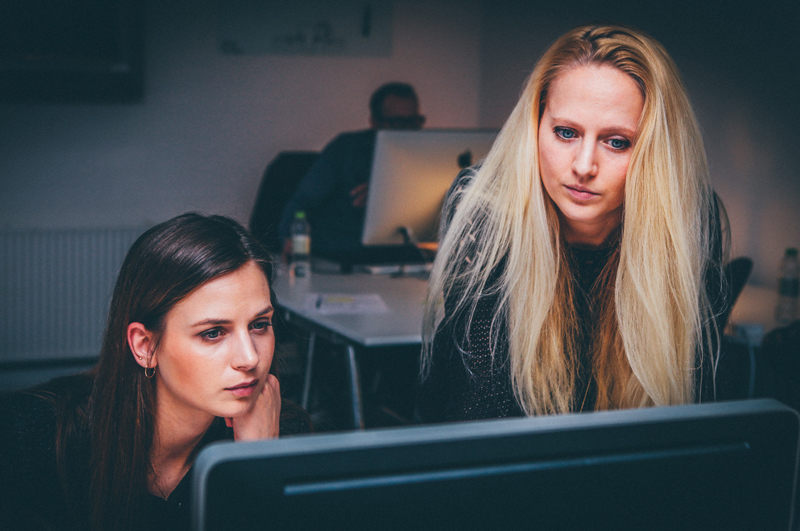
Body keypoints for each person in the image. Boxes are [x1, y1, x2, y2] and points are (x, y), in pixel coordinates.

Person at [417, 25, 730, 423]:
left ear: (655, 152)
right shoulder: (486, 208)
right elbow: (483, 409)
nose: (584, 167)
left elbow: (686, 409)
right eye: (565, 133)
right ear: (535, 126)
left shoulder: (690, 218)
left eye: (617, 142)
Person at [0, 213, 310, 531]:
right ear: (146, 346)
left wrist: (256, 465)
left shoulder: (276, 437)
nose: (249, 358)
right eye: (214, 332)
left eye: (260, 325)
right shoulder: (33, 438)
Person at [278, 82, 425, 255]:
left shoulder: (425, 157)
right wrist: (292, 240)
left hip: (405, 255)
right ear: (374, 122)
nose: (407, 131)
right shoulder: (345, 149)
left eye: (413, 122)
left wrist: (392, 196)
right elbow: (304, 200)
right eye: (397, 123)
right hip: (343, 253)